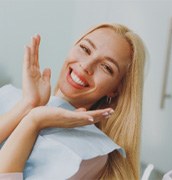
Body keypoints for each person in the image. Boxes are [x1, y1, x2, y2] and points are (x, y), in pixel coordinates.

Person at [0, 23, 146, 180]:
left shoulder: (89, 153)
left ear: (115, 89)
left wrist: (34, 121)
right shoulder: (10, 96)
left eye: (106, 67)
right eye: (85, 49)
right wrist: (27, 105)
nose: (86, 66)